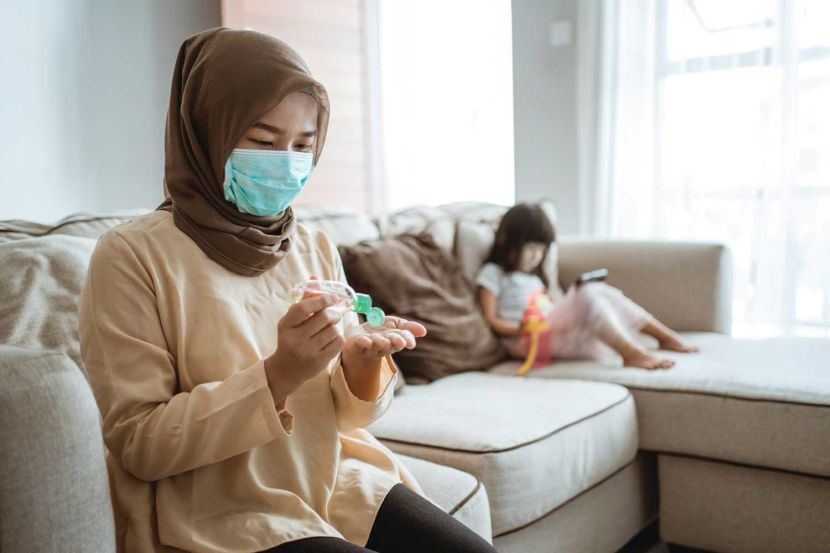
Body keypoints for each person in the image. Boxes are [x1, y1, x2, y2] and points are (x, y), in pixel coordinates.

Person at [79, 28, 498, 553]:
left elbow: (347, 417)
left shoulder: (313, 245)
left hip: (337, 481)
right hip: (222, 509)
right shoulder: (131, 257)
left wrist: (361, 366)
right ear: (206, 131)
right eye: (263, 142)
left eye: (303, 146)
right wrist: (278, 375)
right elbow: (140, 443)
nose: (286, 162)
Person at [476, 203, 698, 370]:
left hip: (549, 329)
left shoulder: (535, 280)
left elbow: (551, 306)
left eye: (541, 249)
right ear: (505, 239)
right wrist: (519, 329)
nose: (536, 255)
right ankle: (632, 353)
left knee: (597, 290)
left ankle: (663, 336)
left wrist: (568, 305)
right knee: (587, 291)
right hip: (525, 341)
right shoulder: (493, 273)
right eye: (531, 247)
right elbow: (491, 319)